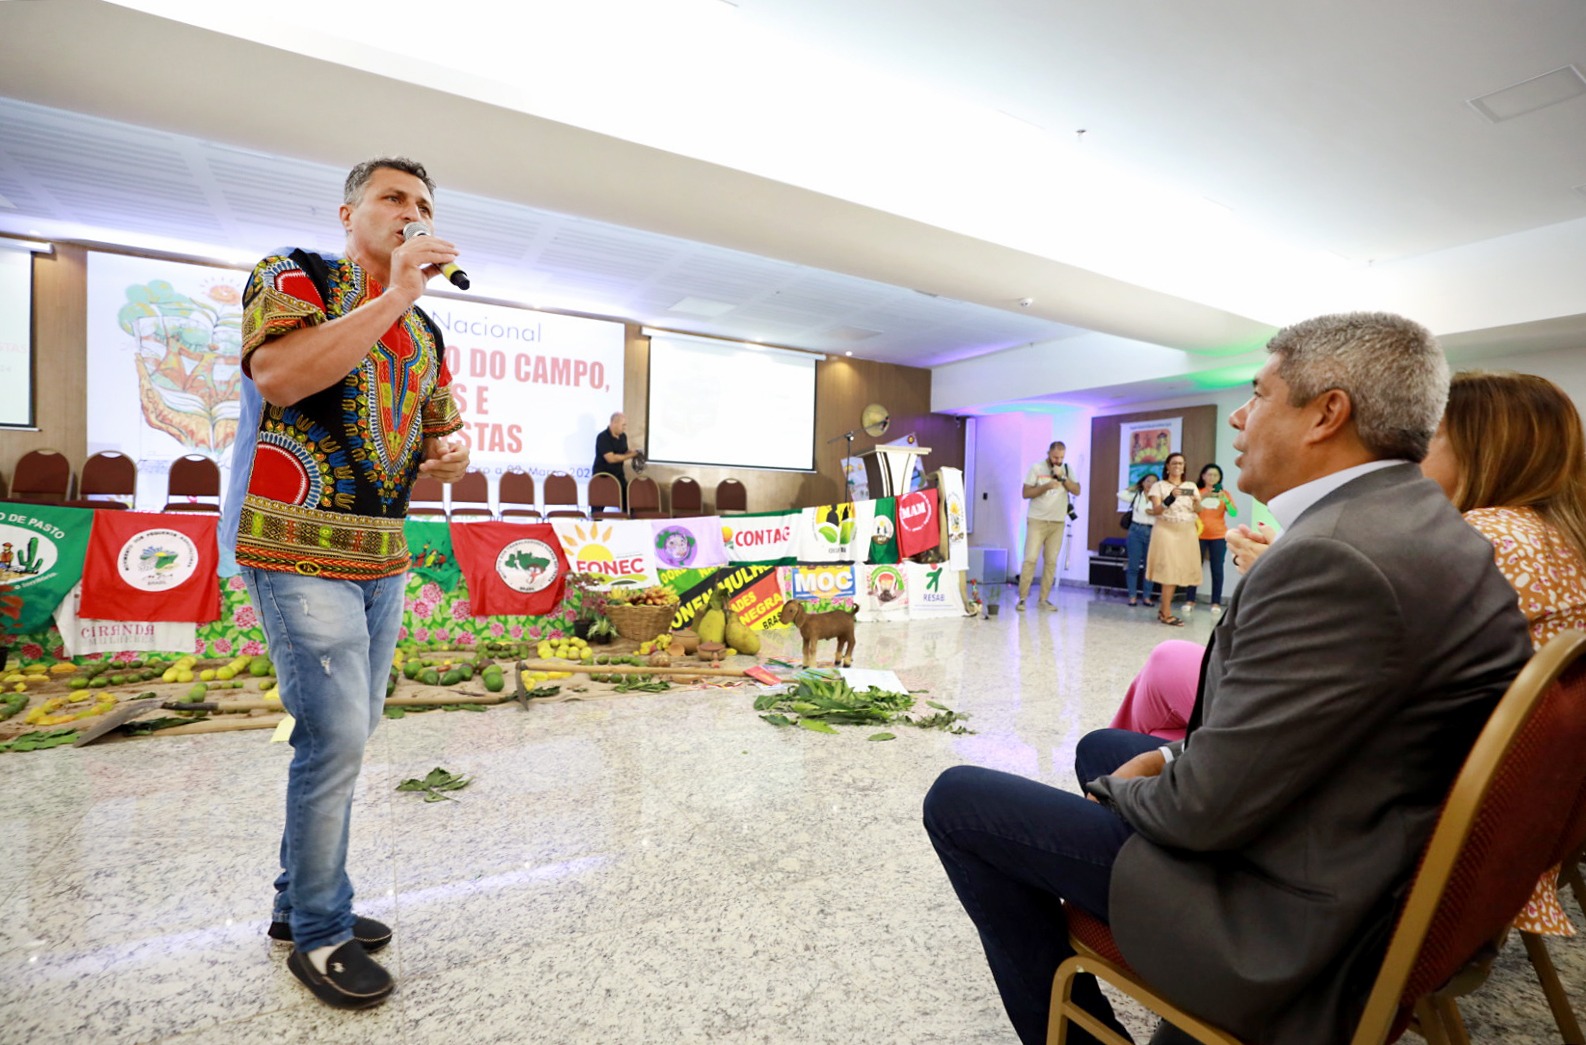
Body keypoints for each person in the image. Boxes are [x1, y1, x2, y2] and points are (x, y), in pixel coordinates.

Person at [923, 311, 1531, 1045]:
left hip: (1287, 913)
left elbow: (1203, 810)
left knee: (960, 800)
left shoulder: (1336, 557)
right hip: (1356, 837)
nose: (1239, 418)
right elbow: (1310, 727)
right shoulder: (1427, 524)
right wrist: (1164, 761)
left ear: (1327, 414)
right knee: (1104, 745)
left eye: (1259, 394)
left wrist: (1122, 792)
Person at [223, 156, 470, 1010]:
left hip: (381, 554)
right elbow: (281, 376)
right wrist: (396, 293)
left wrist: (452, 451)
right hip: (294, 544)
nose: (411, 211)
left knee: (349, 728)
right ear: (347, 213)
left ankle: (295, 903)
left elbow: (440, 431)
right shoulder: (291, 274)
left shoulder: (425, 331)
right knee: (335, 735)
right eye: (393, 197)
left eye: (423, 202)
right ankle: (322, 930)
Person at [1421, 369, 1586, 940]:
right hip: (1525, 816)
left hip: (1444, 815)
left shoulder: (1487, 536)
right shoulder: (1562, 535)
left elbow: (1382, 668)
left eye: (1430, 436)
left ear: (1481, 447)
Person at [1016, 441, 1081, 611]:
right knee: (1030, 559)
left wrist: (1063, 478)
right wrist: (1046, 487)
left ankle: (1043, 600)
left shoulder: (1066, 469)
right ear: (1048, 454)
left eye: (1061, 457)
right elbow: (1026, 493)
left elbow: (1077, 490)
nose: (1058, 460)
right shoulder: (1036, 468)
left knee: (1051, 561)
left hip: (1057, 522)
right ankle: (1022, 598)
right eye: (1055, 457)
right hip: (1037, 520)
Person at [1143, 452, 1199, 625]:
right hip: (1166, 529)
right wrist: (1170, 498)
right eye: (1174, 463)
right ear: (1167, 466)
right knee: (1169, 570)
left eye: (1181, 463)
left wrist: (1198, 502)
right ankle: (1166, 613)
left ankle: (1163, 610)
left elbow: (1198, 509)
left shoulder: (1190, 486)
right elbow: (1156, 510)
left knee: (1179, 570)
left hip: (1187, 530)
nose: (1177, 466)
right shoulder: (1159, 486)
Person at [1182, 463, 1235, 613]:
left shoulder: (1225, 494)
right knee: (1194, 568)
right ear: (1203, 476)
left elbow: (1233, 513)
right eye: (1209, 474)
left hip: (1219, 536)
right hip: (1197, 535)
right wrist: (1202, 497)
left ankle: (1216, 602)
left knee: (1217, 569)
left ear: (1219, 478)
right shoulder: (1196, 492)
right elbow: (1188, 510)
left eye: (1215, 475)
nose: (1212, 477)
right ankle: (1190, 600)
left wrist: (1225, 500)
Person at [1115, 472, 1157, 607]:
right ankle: (1132, 596)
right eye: (1148, 481)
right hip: (1135, 531)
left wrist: (1155, 512)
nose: (1150, 484)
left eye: (1154, 482)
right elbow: (1120, 494)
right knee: (1133, 565)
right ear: (1142, 483)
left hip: (1152, 531)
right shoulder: (1136, 496)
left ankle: (1147, 597)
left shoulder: (1159, 498)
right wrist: (1132, 487)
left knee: (1149, 567)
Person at [593, 411, 641, 507]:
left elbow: (623, 452)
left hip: (618, 475)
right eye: (623, 425)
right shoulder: (603, 437)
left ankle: (628, 516)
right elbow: (611, 459)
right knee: (598, 506)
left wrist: (633, 452)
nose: (625, 428)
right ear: (614, 423)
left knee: (627, 503)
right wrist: (631, 455)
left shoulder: (623, 436)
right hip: (603, 477)